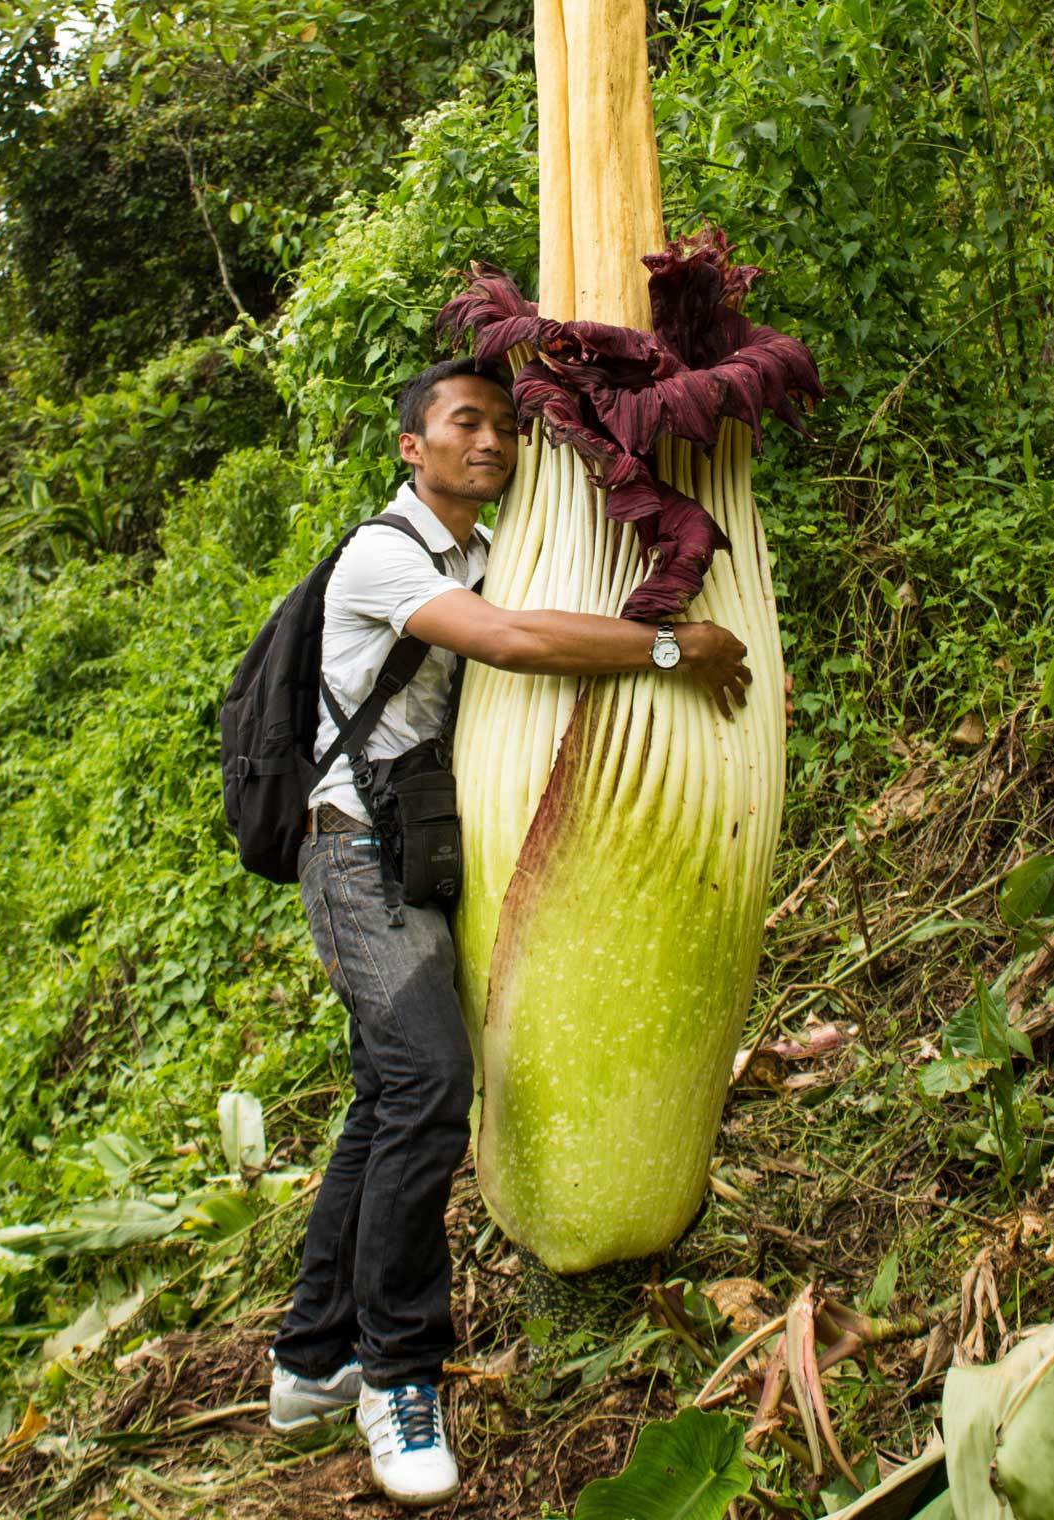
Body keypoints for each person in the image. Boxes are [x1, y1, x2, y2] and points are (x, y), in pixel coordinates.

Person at [268, 355, 754, 1508]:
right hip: (351, 855)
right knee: (432, 1085)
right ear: (411, 447)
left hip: (429, 850)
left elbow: (533, 614)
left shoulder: (492, 551)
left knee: (384, 1102)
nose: (488, 441)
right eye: (463, 423)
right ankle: (397, 1378)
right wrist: (674, 648)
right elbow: (518, 645)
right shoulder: (383, 557)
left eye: (503, 426)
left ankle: (307, 1362)